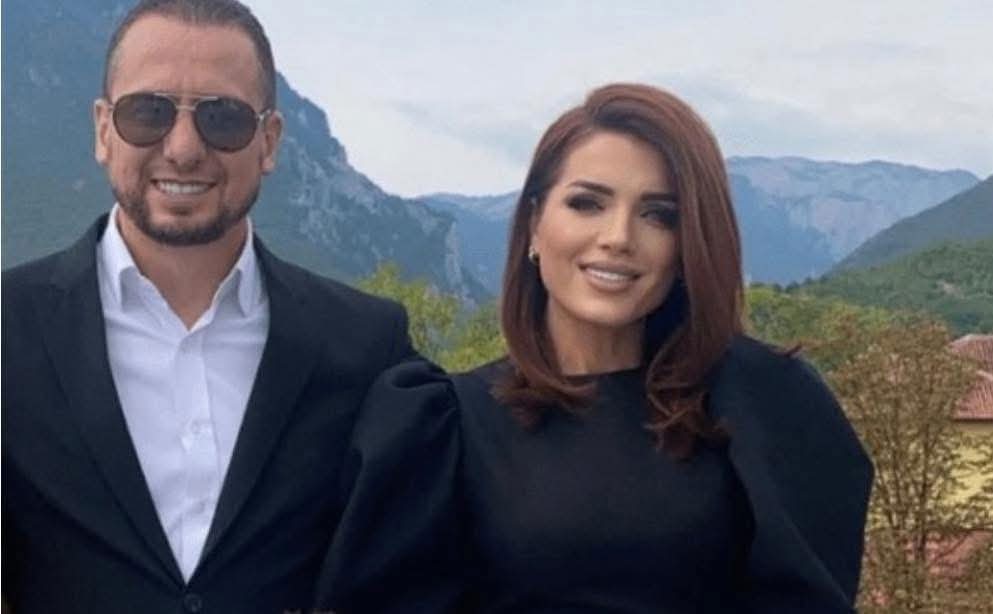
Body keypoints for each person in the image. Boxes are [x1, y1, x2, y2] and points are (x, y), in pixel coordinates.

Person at [319, 83, 874, 613]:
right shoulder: (443, 427)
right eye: (587, 204)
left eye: (659, 215)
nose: (618, 237)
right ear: (534, 225)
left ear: (688, 245)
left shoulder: (762, 404)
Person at [1, 1, 415, 612]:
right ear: (103, 130)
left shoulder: (367, 347)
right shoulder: (8, 329)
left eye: (223, 118)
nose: (184, 148)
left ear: (269, 141)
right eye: (148, 112)